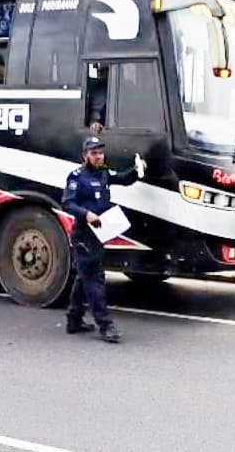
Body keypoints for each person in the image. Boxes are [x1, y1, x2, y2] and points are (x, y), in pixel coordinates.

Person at [61, 136, 146, 343]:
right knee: (95, 279)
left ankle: (74, 320)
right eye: (94, 153)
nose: (98, 157)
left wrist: (137, 171)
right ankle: (106, 325)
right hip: (84, 235)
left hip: (99, 234)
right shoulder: (76, 177)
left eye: (100, 153)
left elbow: (123, 179)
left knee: (84, 277)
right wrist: (86, 214)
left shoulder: (104, 173)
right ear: (85, 156)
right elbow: (67, 203)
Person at [87, 64, 109, 134]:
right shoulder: (93, 86)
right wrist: (93, 123)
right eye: (98, 70)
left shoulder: (124, 86)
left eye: (102, 71)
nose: (99, 72)